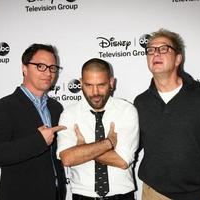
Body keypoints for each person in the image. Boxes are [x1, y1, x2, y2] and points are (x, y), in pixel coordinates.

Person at [134, 29, 200, 200]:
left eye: (164, 48)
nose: (155, 53)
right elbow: (132, 148)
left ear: (178, 59)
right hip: (154, 194)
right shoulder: (141, 102)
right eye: (151, 50)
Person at [0, 43, 67, 200]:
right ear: (24, 68)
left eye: (52, 68)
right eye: (41, 66)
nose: (48, 72)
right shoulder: (5, 107)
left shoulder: (55, 107)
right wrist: (39, 140)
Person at [57, 58, 139, 200]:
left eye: (101, 85)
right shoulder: (69, 114)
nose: (95, 92)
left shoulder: (127, 110)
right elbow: (67, 158)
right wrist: (108, 143)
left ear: (111, 83)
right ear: (81, 83)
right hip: (82, 197)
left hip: (122, 196)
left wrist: (82, 148)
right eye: (88, 85)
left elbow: (122, 161)